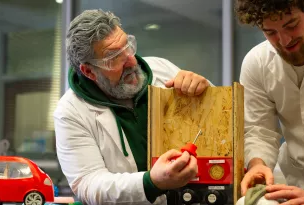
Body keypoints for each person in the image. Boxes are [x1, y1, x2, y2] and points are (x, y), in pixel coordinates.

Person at [54, 9, 212, 205]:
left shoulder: (162, 69)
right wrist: (150, 183)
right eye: (114, 57)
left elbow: (219, 126)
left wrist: (204, 92)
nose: (131, 61)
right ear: (89, 71)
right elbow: (89, 184)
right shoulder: (71, 111)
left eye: (127, 46)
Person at [235, 0, 304, 204]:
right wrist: (258, 164)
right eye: (270, 32)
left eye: (291, 25)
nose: (284, 40)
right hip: (298, 184)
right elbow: (259, 131)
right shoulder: (256, 63)